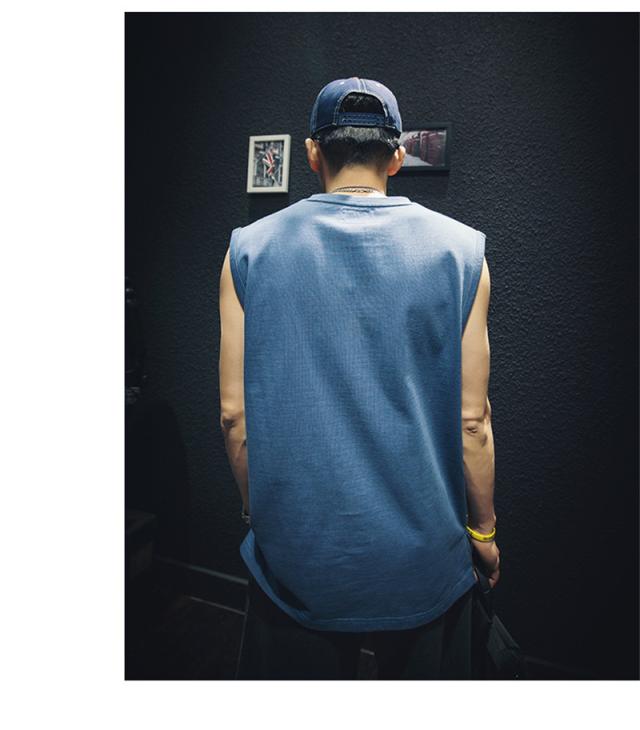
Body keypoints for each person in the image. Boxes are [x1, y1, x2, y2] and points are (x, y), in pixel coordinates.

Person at [218, 76, 499, 680]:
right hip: (425, 552)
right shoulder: (462, 252)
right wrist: (483, 532)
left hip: (299, 551)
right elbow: (472, 422)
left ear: (311, 153)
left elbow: (234, 418)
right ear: (396, 157)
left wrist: (258, 513)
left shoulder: (248, 249)